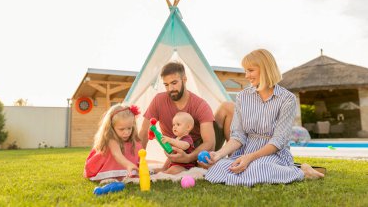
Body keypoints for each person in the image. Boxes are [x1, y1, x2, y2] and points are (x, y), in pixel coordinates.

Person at [202, 49, 325, 187]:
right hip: (246, 151)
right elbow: (238, 136)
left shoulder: (287, 99)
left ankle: (302, 171)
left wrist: (251, 158)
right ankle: (270, 172)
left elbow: (278, 141)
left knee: (259, 168)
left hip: (273, 153)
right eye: (245, 71)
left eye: (250, 70)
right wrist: (218, 155)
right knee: (217, 168)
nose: (247, 75)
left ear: (265, 69)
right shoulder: (243, 97)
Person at [139, 62, 232, 166]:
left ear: (184, 79)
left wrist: (188, 158)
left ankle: (232, 160)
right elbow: (144, 131)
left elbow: (210, 143)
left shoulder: (199, 104)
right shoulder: (158, 100)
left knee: (228, 106)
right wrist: (138, 162)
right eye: (166, 84)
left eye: (174, 83)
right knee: (171, 170)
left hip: (199, 148)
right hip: (176, 146)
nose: (170, 89)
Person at [84, 105, 142, 183]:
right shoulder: (111, 138)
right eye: (122, 129)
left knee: (136, 144)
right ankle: (113, 174)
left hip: (122, 164)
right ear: (111, 127)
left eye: (129, 128)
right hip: (106, 165)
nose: (127, 132)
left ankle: (123, 173)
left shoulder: (132, 139)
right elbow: (117, 154)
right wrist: (128, 164)